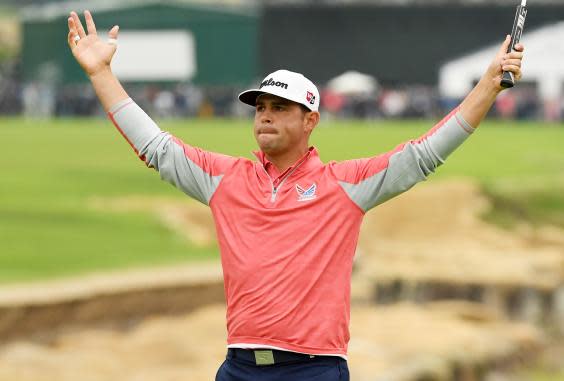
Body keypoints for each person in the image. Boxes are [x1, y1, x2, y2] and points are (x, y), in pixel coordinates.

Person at [67, 10, 525, 381]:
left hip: (315, 370)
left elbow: (424, 155)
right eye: (261, 107)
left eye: (280, 108)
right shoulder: (227, 178)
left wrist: (487, 86)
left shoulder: (344, 184)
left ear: (310, 121)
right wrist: (102, 73)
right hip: (239, 367)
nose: (265, 116)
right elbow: (156, 147)